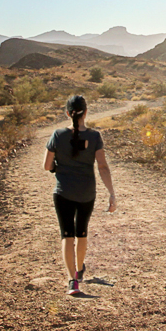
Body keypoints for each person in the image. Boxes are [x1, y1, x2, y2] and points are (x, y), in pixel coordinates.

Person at [43, 95, 116, 295]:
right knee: (81, 232)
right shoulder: (94, 137)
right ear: (86, 112)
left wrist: (57, 168)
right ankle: (80, 268)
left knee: (67, 235)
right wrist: (111, 193)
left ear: (67, 113)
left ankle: (72, 280)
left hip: (63, 192)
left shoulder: (57, 135)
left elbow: (47, 165)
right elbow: (102, 166)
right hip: (87, 192)